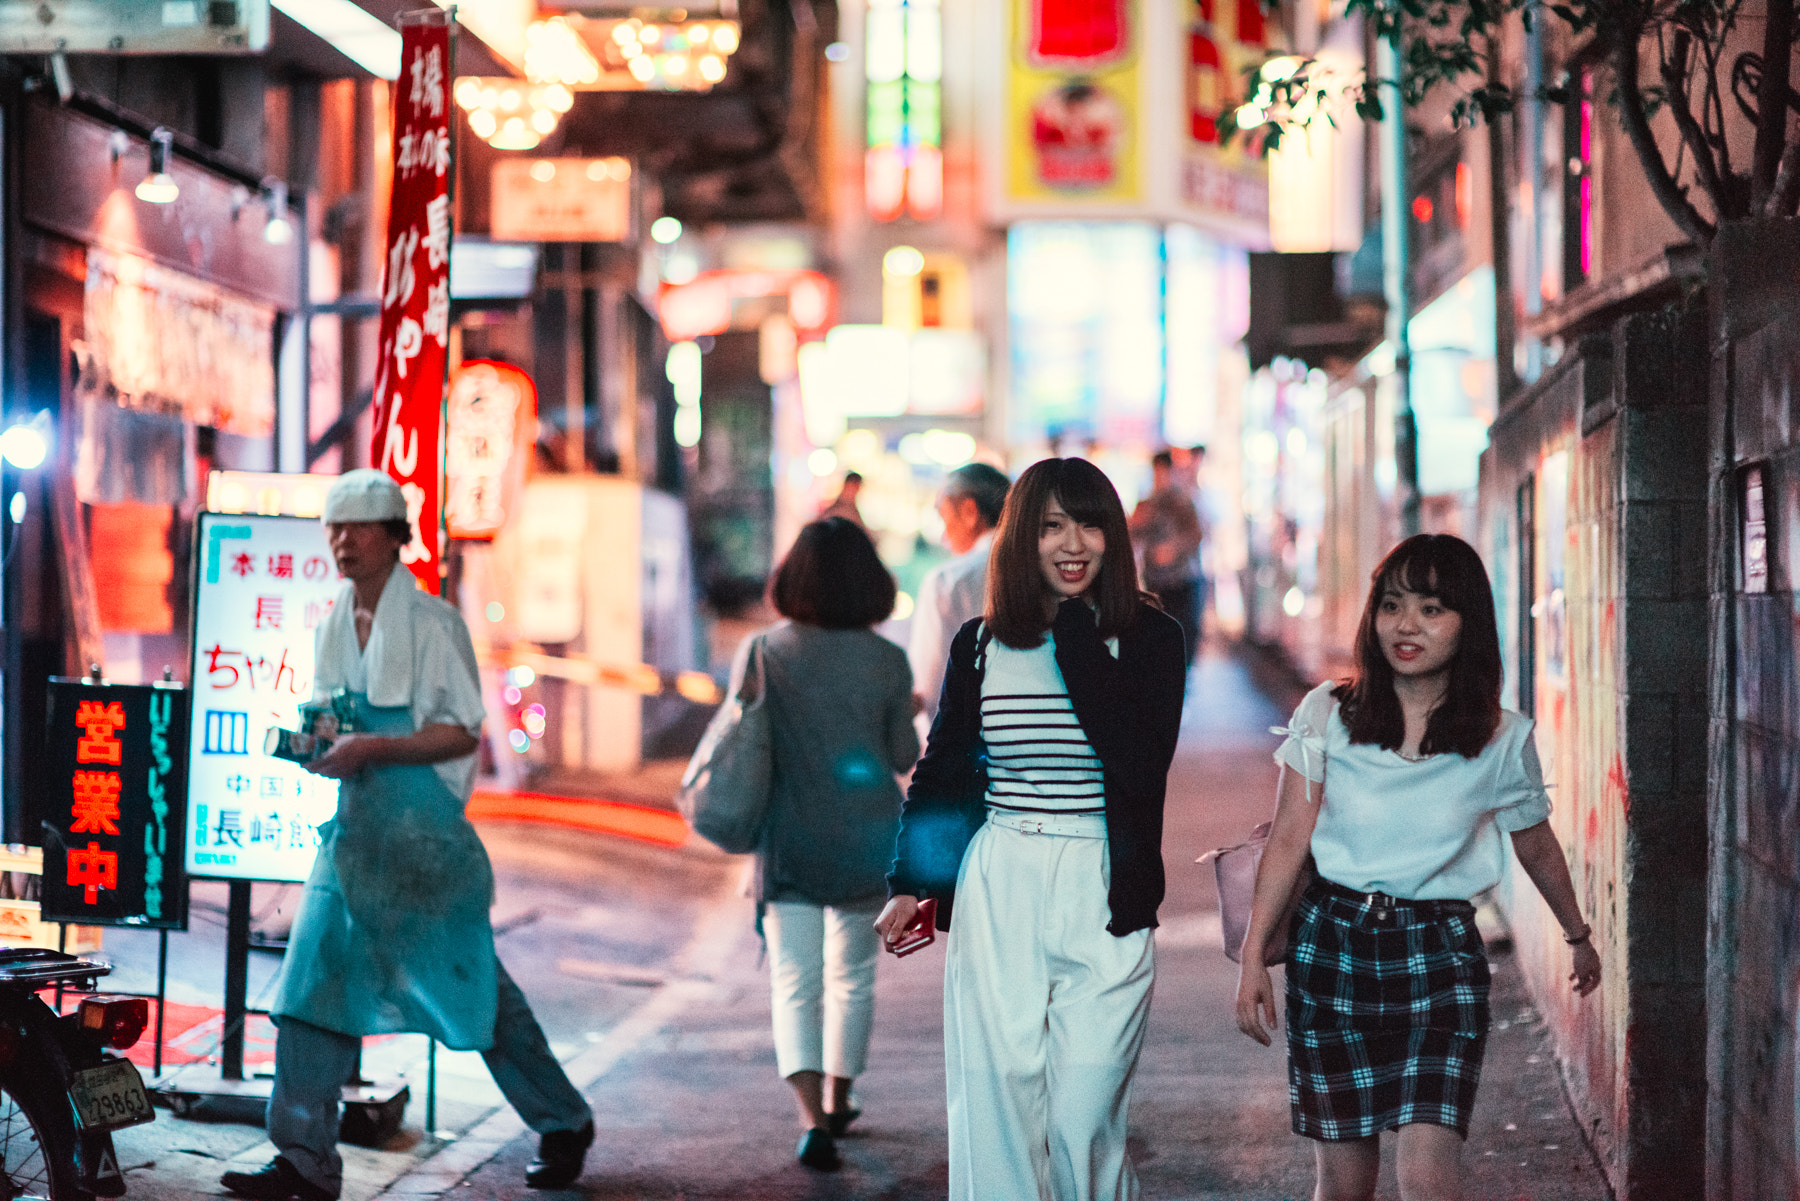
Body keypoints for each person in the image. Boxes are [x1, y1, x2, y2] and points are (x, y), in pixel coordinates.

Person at [222, 471, 594, 1201]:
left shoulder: (435, 623)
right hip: (353, 835)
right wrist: (316, 745)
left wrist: (370, 750)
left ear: (397, 536)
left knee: (472, 990)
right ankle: (303, 1159)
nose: (343, 541)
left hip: (424, 844)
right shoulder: (333, 618)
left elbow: (460, 733)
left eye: (360, 527)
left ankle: (562, 1118)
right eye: (335, 527)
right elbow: (331, 714)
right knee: (309, 987)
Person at [1234, 533, 1603, 1201]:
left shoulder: (1501, 736)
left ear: (1468, 624)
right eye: (1393, 604)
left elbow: (1535, 841)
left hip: (1439, 956)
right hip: (1332, 948)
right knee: (1344, 1183)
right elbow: (1288, 840)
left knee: (1430, 1178)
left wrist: (1577, 934)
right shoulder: (1327, 713)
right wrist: (1254, 956)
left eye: (1432, 608)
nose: (1406, 625)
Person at [876, 457, 1187, 1201]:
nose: (1072, 542)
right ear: (1021, 538)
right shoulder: (980, 644)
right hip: (1001, 875)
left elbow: (1139, 765)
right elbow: (944, 769)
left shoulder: (1150, 638)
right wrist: (912, 883)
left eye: (1088, 523)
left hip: (1105, 884)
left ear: (1114, 536)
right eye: (1051, 525)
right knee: (1000, 1102)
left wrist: (1076, 633)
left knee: (1084, 1114)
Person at [749, 517, 921, 1171]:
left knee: (795, 978)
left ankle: (809, 1119)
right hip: (868, 837)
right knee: (852, 975)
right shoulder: (887, 659)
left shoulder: (765, 650)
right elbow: (904, 755)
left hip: (789, 836)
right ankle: (841, 1095)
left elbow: (750, 751)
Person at [907, 462, 1011, 719]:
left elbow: (930, 686)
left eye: (943, 516)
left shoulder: (947, 581)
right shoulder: (1046, 570)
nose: (943, 535)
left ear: (969, 511)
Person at [1129, 450, 1204, 665]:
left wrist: (1173, 549)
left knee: (1181, 634)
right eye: (1156, 472)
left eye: (1163, 472)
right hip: (1156, 581)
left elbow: (1195, 534)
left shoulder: (1182, 501)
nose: (1160, 477)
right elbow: (1134, 534)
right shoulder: (1146, 504)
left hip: (1182, 579)